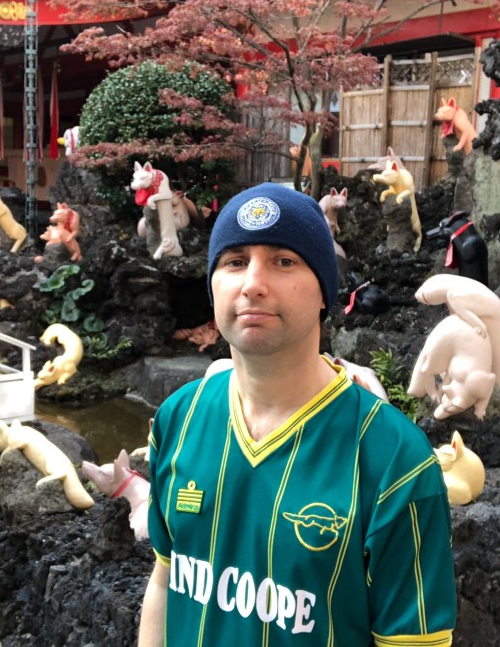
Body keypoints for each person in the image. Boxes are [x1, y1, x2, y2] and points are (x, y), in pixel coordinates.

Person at [139, 183, 457, 646]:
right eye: (235, 262)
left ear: (325, 291)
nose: (252, 283)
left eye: (284, 261)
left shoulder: (394, 459)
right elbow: (165, 580)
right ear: (212, 286)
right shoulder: (179, 420)